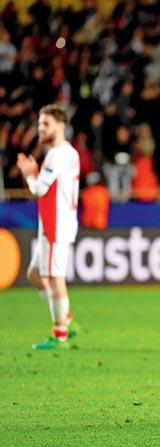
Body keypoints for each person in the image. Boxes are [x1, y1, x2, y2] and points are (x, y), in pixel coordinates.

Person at [16, 104, 80, 350]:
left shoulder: (59, 154)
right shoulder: (65, 152)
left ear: (60, 126)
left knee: (54, 277)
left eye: (46, 124)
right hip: (52, 222)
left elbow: (39, 189)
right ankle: (67, 319)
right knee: (34, 274)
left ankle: (60, 334)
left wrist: (29, 173)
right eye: (40, 124)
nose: (40, 128)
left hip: (56, 223)